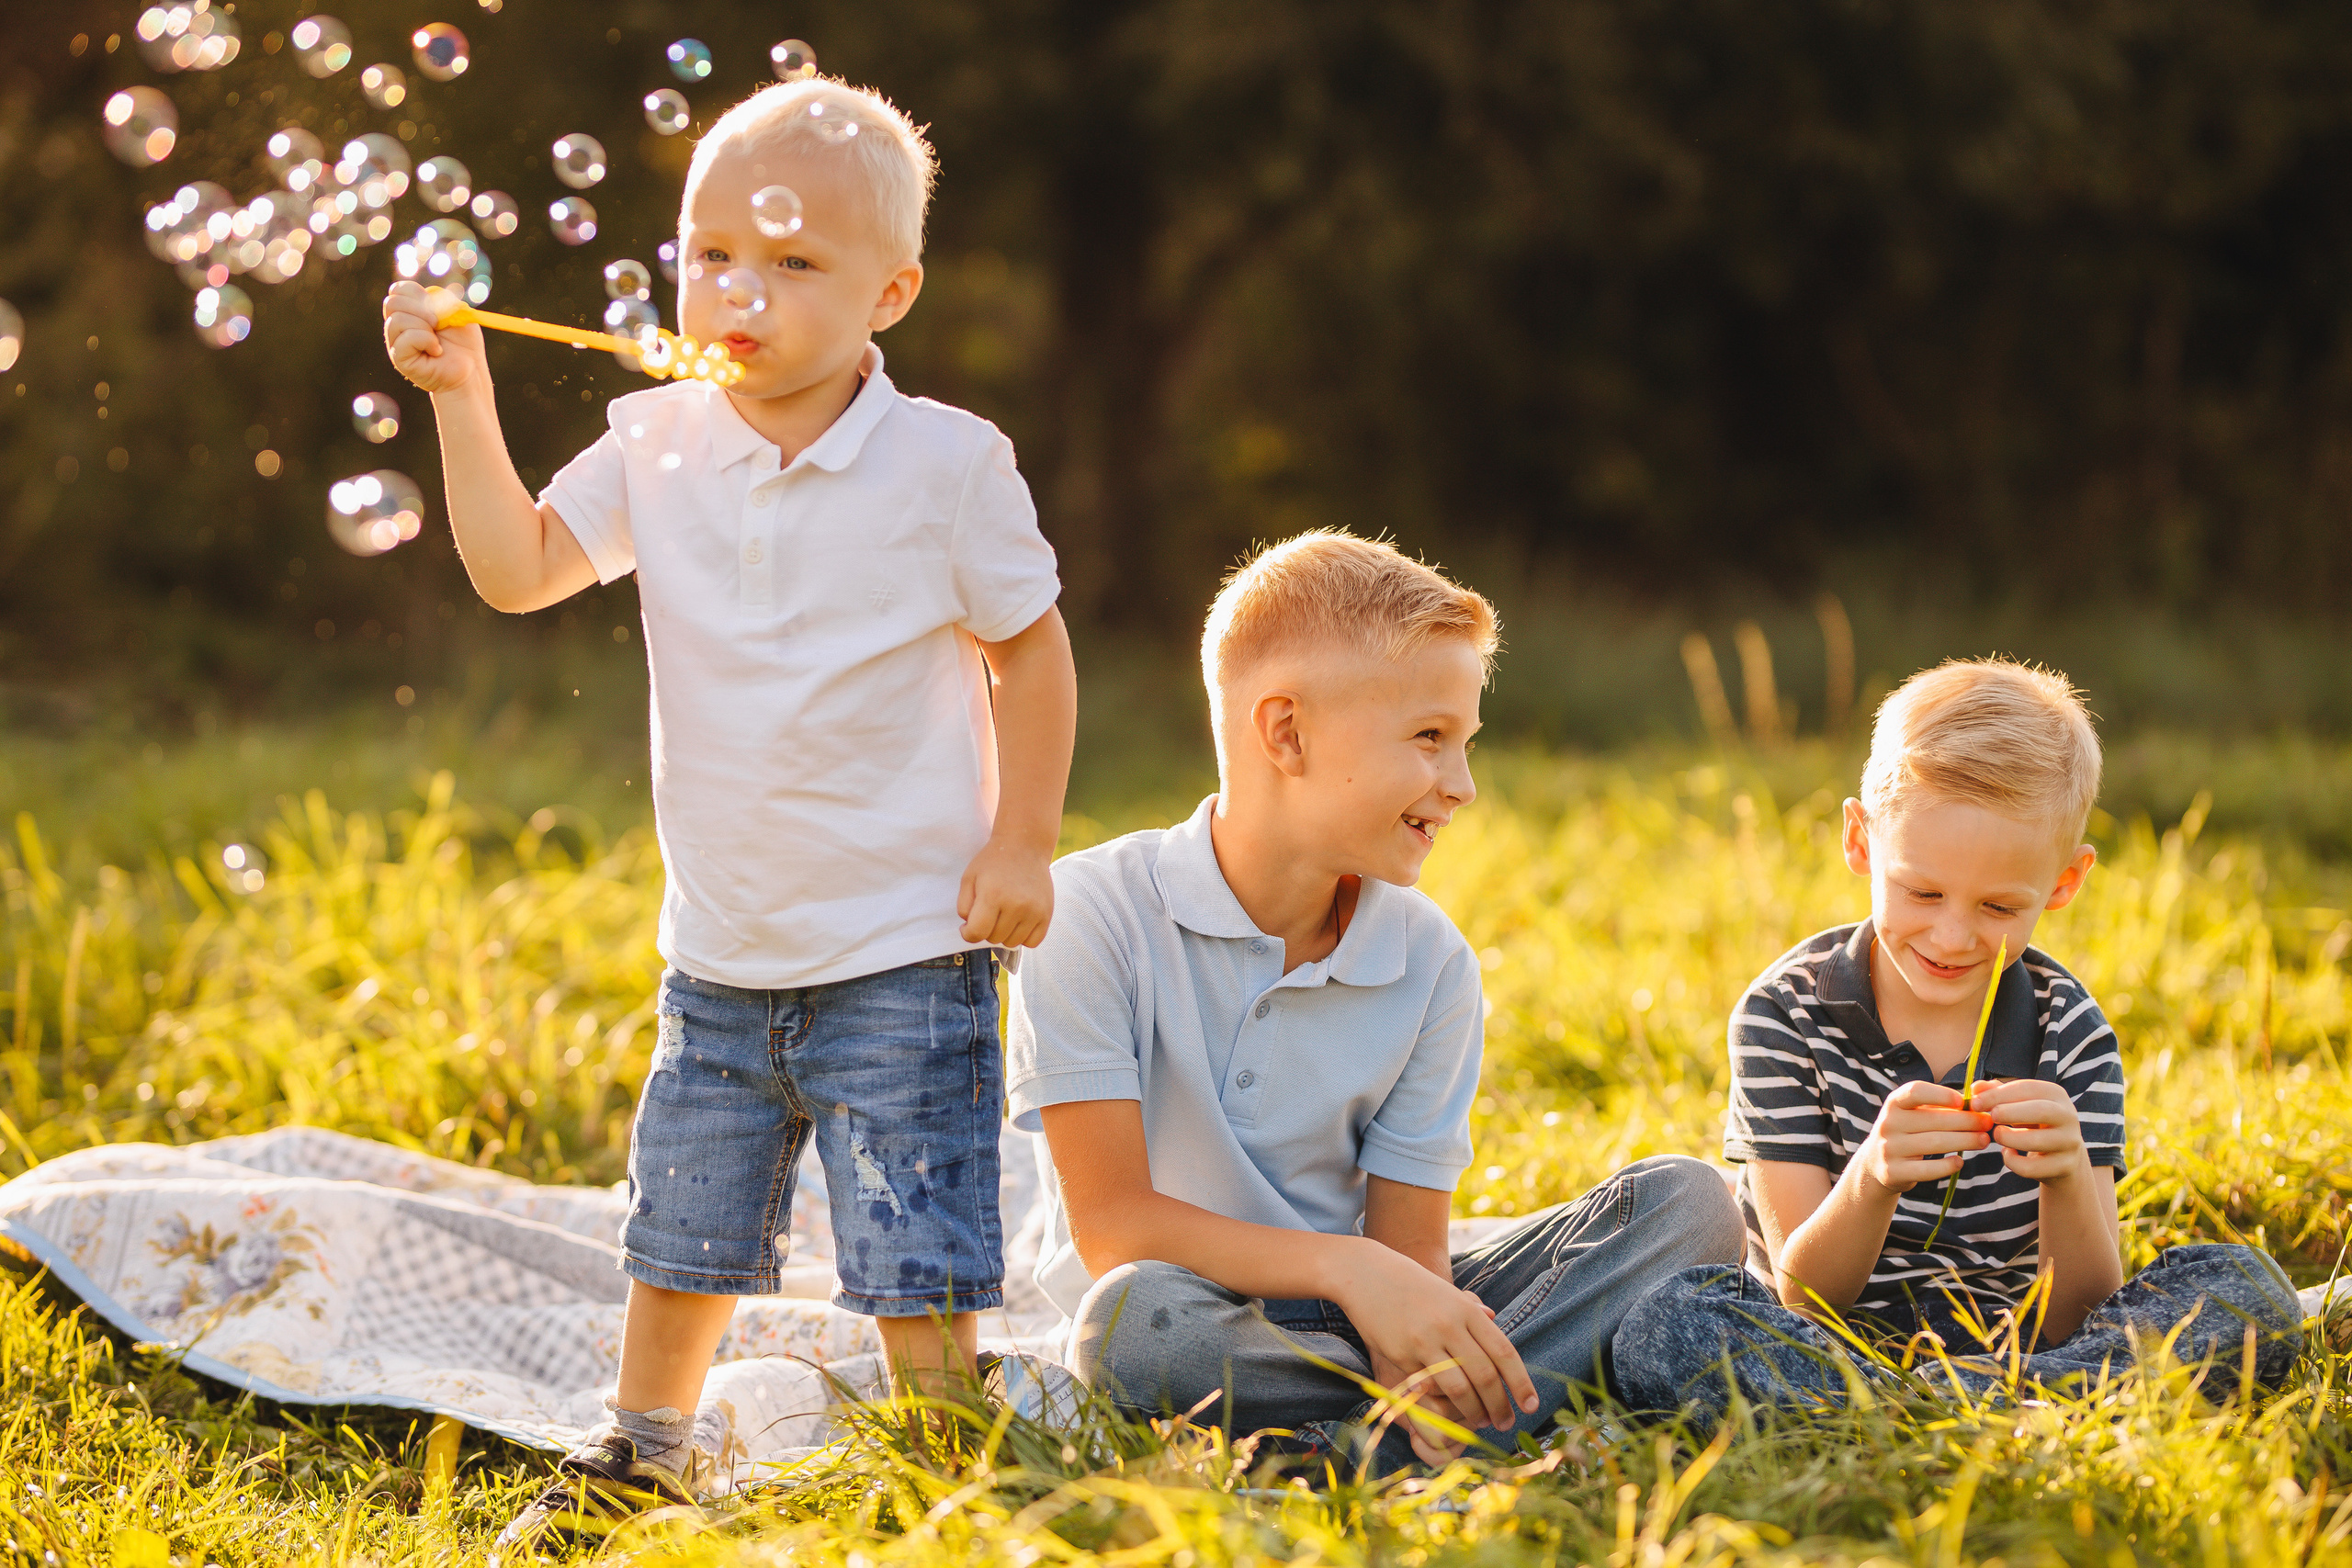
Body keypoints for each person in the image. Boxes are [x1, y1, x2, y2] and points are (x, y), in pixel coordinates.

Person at [381, 76, 1077, 1547]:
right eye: (711, 253)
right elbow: (520, 569)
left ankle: (947, 1455)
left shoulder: (948, 464)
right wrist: (462, 400)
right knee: (680, 1218)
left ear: (892, 290)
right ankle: (645, 1443)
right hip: (722, 943)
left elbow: (1031, 646)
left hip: (906, 937)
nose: (737, 289)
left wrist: (1023, 838)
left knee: (917, 1229)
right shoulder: (656, 442)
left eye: (792, 262)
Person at [1007, 531, 1744, 1473]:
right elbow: (1114, 1230)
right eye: (1430, 739)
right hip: (1187, 1313)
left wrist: (1413, 1333)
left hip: (1364, 1315)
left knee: (1685, 1202)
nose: (1463, 786)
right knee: (1127, 1327)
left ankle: (1354, 1450)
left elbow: (1414, 1258)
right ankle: (1451, 1435)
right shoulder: (1089, 915)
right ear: (1285, 733)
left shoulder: (1431, 963)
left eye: (1465, 743)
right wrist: (1349, 1270)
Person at [1611, 659, 2302, 1426]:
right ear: (1861, 840)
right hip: (1821, 1349)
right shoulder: (1786, 1013)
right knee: (1666, 1325)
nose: (1951, 933)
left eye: (1999, 905)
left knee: (2252, 1294)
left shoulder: (2067, 1028)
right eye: (1923, 890)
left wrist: (2070, 1175)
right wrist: (1871, 1177)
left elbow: (2081, 1310)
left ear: (2065, 883)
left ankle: (1902, 1416)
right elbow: (1804, 1294)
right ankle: (2003, 1413)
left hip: (2025, 1349)